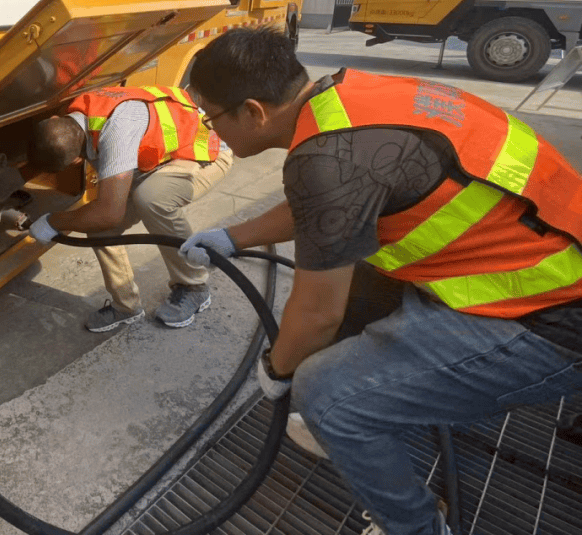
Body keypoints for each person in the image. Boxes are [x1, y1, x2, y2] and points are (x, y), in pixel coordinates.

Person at [178, 27, 582, 535]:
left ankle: (413, 523)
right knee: (359, 283)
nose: (213, 133)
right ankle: (372, 414)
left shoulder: (327, 161)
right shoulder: (350, 98)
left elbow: (317, 314)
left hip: (551, 319)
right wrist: (234, 236)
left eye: (212, 117)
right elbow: (329, 205)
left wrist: (276, 371)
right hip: (554, 253)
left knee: (324, 393)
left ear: (254, 111)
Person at [27, 85, 233, 331]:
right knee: (97, 225)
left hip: (204, 152)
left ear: (75, 160)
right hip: (159, 162)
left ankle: (193, 286)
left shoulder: (116, 131)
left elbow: (110, 213)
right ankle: (125, 306)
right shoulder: (77, 113)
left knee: (152, 198)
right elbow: (103, 218)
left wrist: (53, 221)